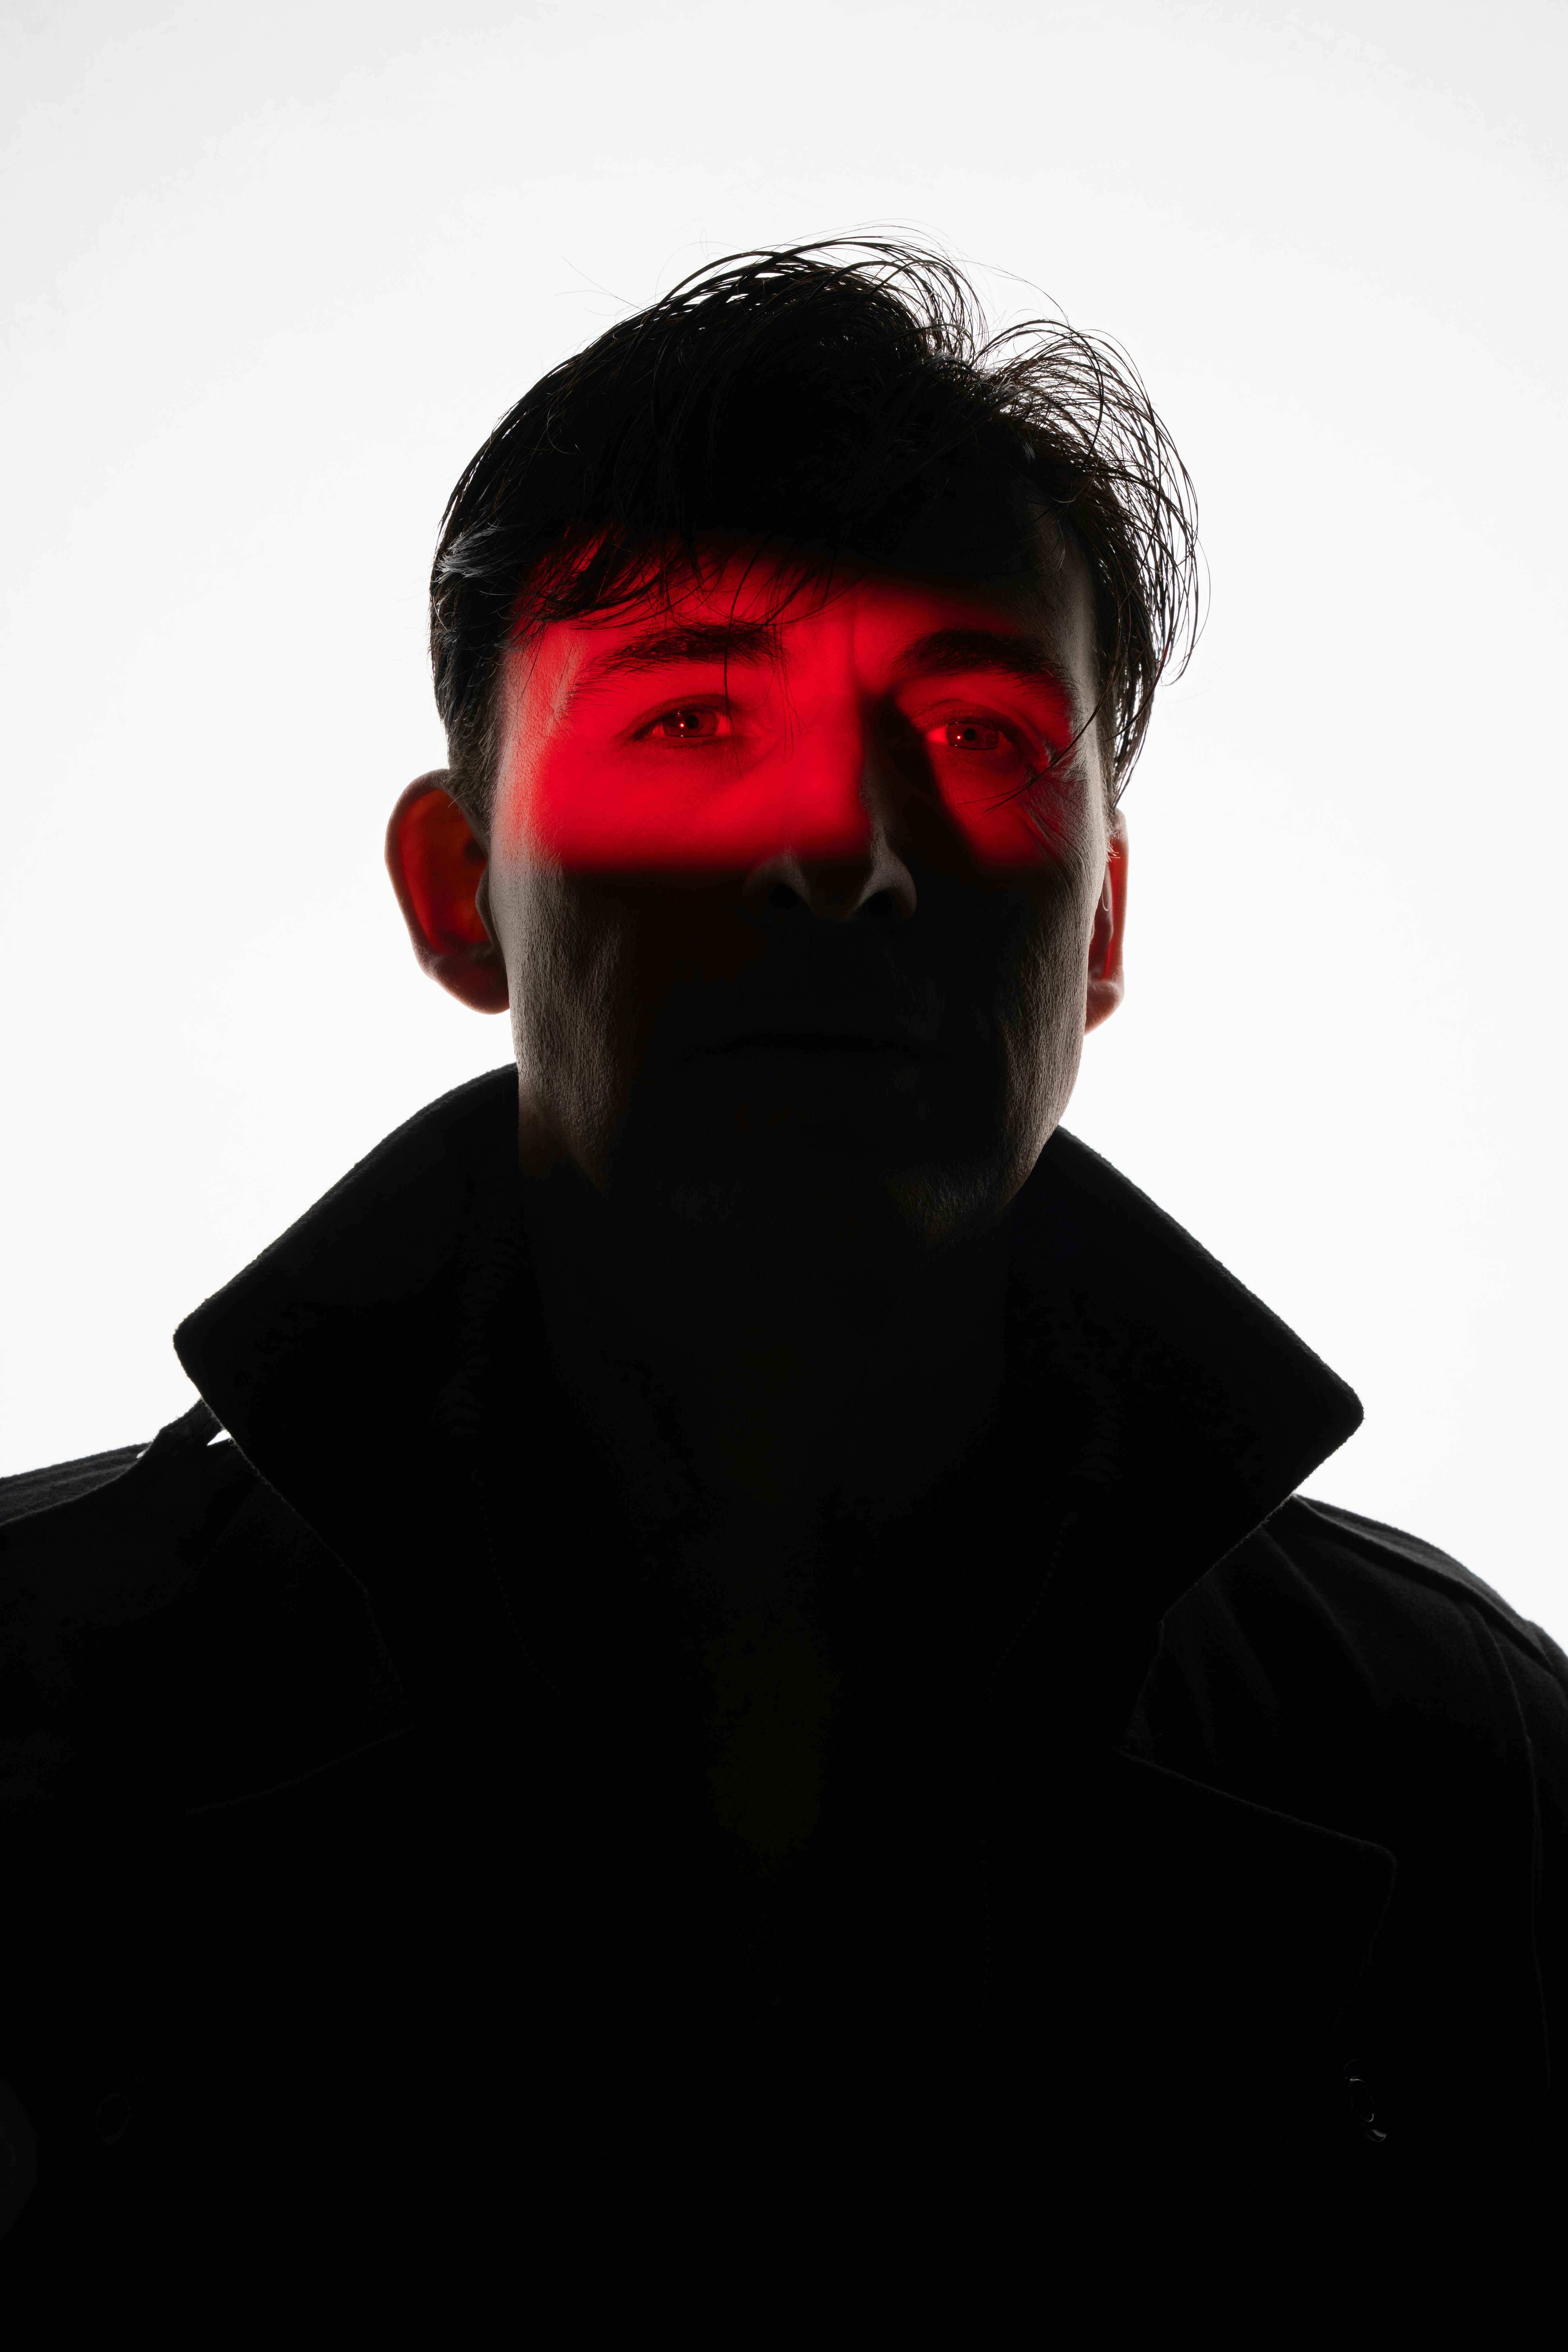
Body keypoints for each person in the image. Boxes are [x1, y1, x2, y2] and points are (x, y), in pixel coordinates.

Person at [0, 242, 1562, 2348]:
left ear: (1097, 925)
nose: (849, 851)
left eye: (979, 734)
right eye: (696, 719)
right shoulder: (28, 1702)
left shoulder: (1471, 1762)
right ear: (466, 890)